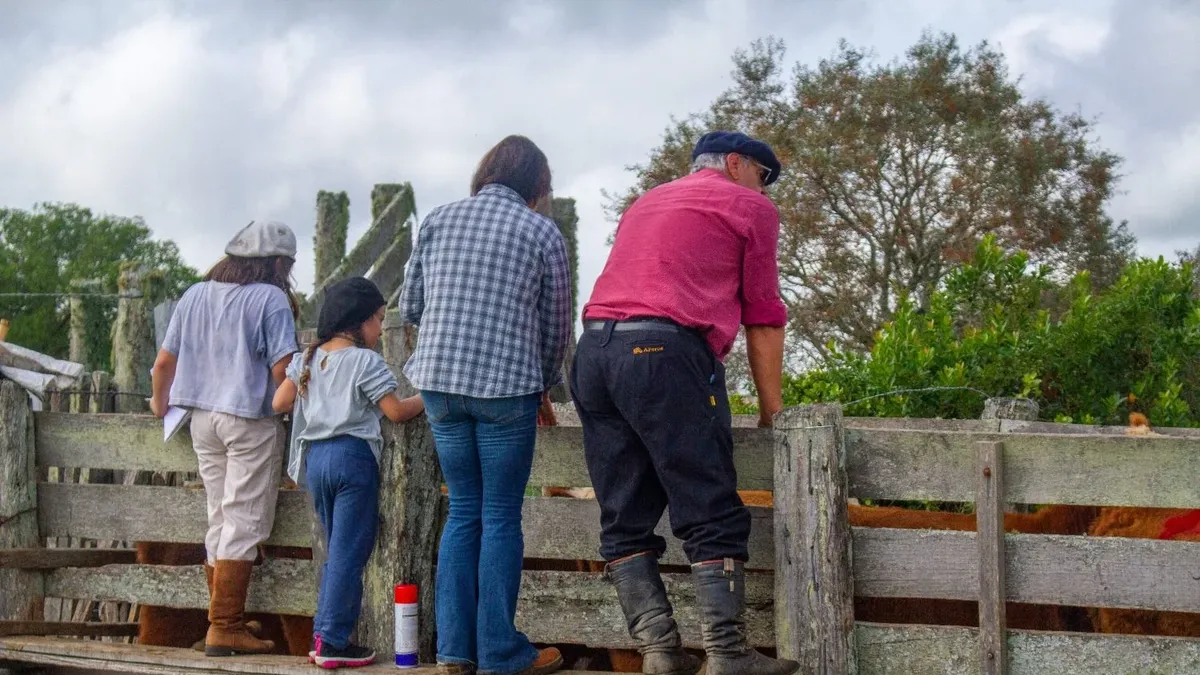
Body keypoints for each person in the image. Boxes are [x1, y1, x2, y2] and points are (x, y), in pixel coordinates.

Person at [571, 131, 798, 675]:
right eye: (762, 177)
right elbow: (763, 314)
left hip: (594, 354)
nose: (763, 191)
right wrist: (771, 411)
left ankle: (658, 653)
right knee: (709, 503)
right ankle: (725, 654)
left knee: (624, 514)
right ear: (737, 164)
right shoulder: (750, 207)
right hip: (663, 350)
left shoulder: (645, 202)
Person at [399, 134, 572, 675]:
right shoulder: (542, 231)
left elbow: (413, 305)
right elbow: (555, 328)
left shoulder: (439, 219)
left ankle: (455, 651)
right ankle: (499, 651)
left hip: (440, 387)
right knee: (500, 515)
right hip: (505, 389)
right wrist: (542, 385)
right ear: (537, 185)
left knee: (463, 512)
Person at [150, 220, 300, 657]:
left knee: (219, 516)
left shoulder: (195, 293)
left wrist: (160, 406)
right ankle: (225, 625)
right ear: (277, 263)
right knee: (246, 520)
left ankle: (224, 619)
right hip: (249, 419)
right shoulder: (270, 298)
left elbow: (163, 364)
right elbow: (282, 372)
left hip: (201, 420)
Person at [273, 276, 426, 669]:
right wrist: (427, 397)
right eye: (377, 319)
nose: (379, 328)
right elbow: (395, 412)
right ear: (357, 321)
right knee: (349, 550)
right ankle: (332, 640)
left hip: (316, 461)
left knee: (334, 549)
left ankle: (325, 634)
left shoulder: (307, 358)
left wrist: (317, 398)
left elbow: (279, 402)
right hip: (352, 459)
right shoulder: (364, 361)